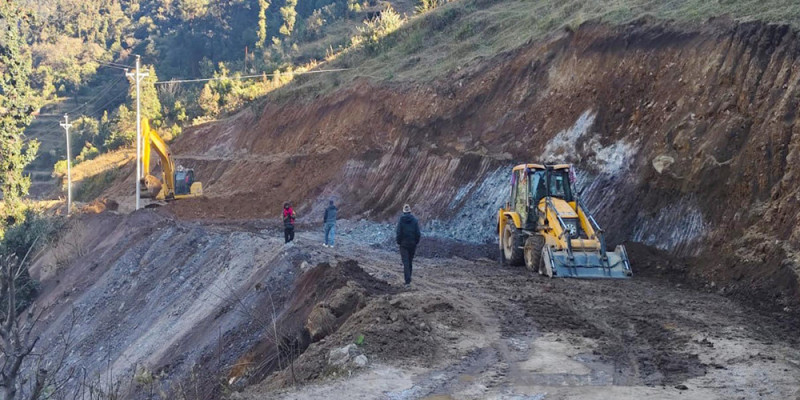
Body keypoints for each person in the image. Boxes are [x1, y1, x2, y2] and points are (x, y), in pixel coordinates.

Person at [395, 204, 421, 287]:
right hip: (412, 244)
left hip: (404, 245)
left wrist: (399, 242)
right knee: (410, 261)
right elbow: (418, 234)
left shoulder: (401, 220)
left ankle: (407, 281)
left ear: (403, 212)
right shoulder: (415, 220)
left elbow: (398, 233)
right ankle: (408, 279)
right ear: (410, 211)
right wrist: (415, 242)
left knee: (405, 262)